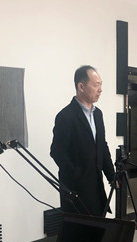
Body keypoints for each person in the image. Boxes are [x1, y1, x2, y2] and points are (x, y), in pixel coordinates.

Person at [50, 65, 115, 216]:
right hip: (75, 189)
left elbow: (102, 146)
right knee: (80, 228)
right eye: (96, 85)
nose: (100, 90)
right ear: (81, 87)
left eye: (101, 85)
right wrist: (77, 175)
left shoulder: (98, 114)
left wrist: (111, 176)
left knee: (98, 226)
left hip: (97, 187)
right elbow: (57, 152)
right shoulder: (66, 116)